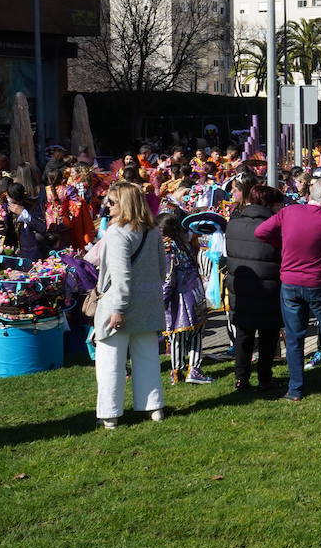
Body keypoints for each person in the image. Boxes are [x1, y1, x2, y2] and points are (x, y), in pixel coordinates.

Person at [254, 176, 321, 400]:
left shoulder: (288, 212)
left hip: (290, 282)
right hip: (320, 283)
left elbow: (261, 232)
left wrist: (283, 243)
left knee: (294, 337)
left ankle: (296, 389)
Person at [93, 182, 167, 429]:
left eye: (111, 202)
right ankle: (153, 406)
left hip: (119, 304)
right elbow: (161, 269)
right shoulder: (152, 230)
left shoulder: (117, 233)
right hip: (148, 302)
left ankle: (110, 413)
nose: (107, 206)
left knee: (110, 361)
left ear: (124, 204)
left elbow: (121, 276)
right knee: (147, 357)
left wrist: (119, 308)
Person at [225, 184, 284, 391]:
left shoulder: (233, 224)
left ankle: (241, 377)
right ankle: (264, 378)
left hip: (241, 287)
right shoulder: (274, 226)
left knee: (244, 335)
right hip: (268, 286)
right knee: (268, 335)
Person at [157, 212, 212, 385]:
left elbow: (168, 278)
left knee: (177, 336)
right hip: (194, 293)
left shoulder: (168, 249)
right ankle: (193, 369)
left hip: (179, 298)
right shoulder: (185, 244)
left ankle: (177, 371)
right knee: (195, 334)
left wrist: (161, 300)